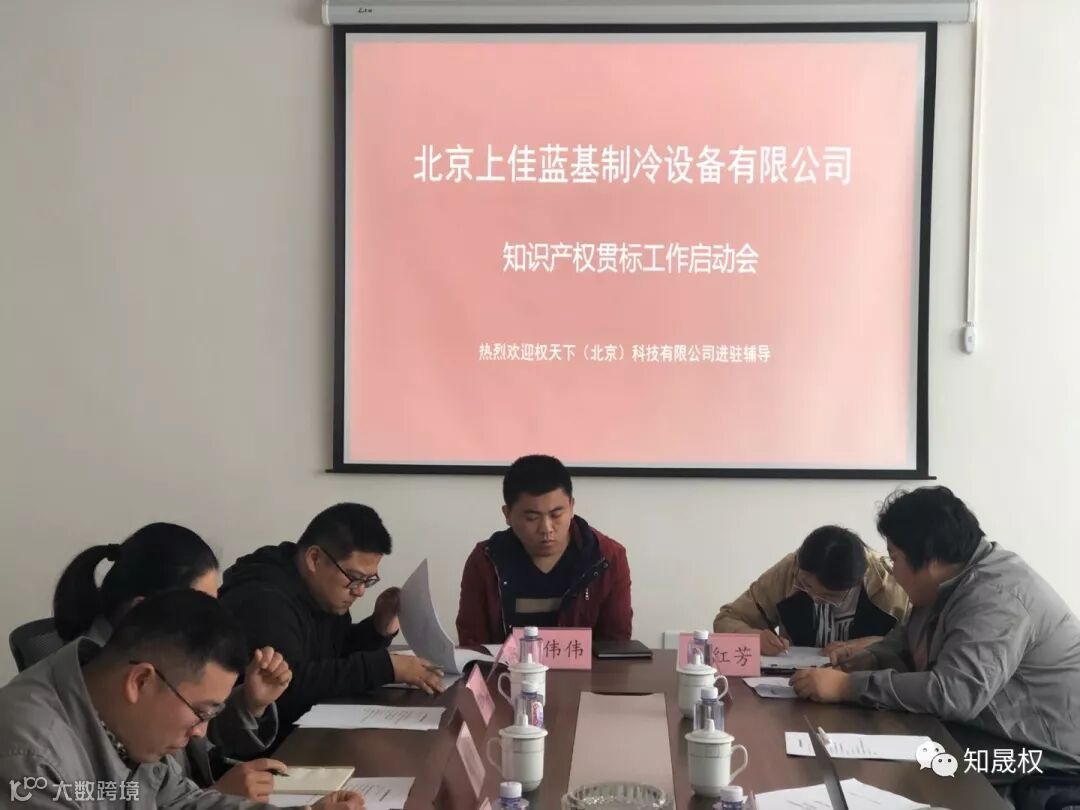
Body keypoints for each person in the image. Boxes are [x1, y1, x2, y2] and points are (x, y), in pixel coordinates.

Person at [790, 487, 1080, 782]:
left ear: (932, 560)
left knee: (893, 773)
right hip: (984, 731)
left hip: (1042, 759)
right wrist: (869, 658)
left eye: (894, 559)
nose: (893, 571)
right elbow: (907, 638)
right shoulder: (948, 583)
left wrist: (846, 687)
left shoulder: (995, 598)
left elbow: (953, 694)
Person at [0, 590, 363, 809]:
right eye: (200, 713)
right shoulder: (30, 759)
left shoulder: (123, 717)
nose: (200, 733)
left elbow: (181, 801)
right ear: (141, 681)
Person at [52, 523, 293, 802]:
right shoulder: (105, 687)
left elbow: (187, 736)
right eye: (198, 609)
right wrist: (216, 794)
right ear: (141, 610)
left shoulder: (148, 669)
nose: (211, 623)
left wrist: (249, 704)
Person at [219, 503, 445, 741]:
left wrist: (376, 629)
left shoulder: (319, 592)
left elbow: (333, 657)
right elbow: (286, 687)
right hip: (264, 746)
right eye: (355, 578)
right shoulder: (262, 600)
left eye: (368, 581)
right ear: (314, 559)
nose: (360, 591)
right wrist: (386, 667)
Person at [456, 454, 633, 645]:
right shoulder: (485, 561)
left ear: (571, 507)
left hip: (586, 666)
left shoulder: (606, 558)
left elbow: (615, 646)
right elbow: (473, 644)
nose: (546, 528)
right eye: (532, 518)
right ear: (507, 514)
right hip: (505, 666)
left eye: (556, 514)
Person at [713, 525, 909, 658]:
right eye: (805, 585)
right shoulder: (790, 569)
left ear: (855, 583)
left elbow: (913, 645)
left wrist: (872, 645)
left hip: (865, 690)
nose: (814, 598)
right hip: (793, 683)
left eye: (829, 597)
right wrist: (753, 637)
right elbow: (727, 618)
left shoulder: (890, 583)